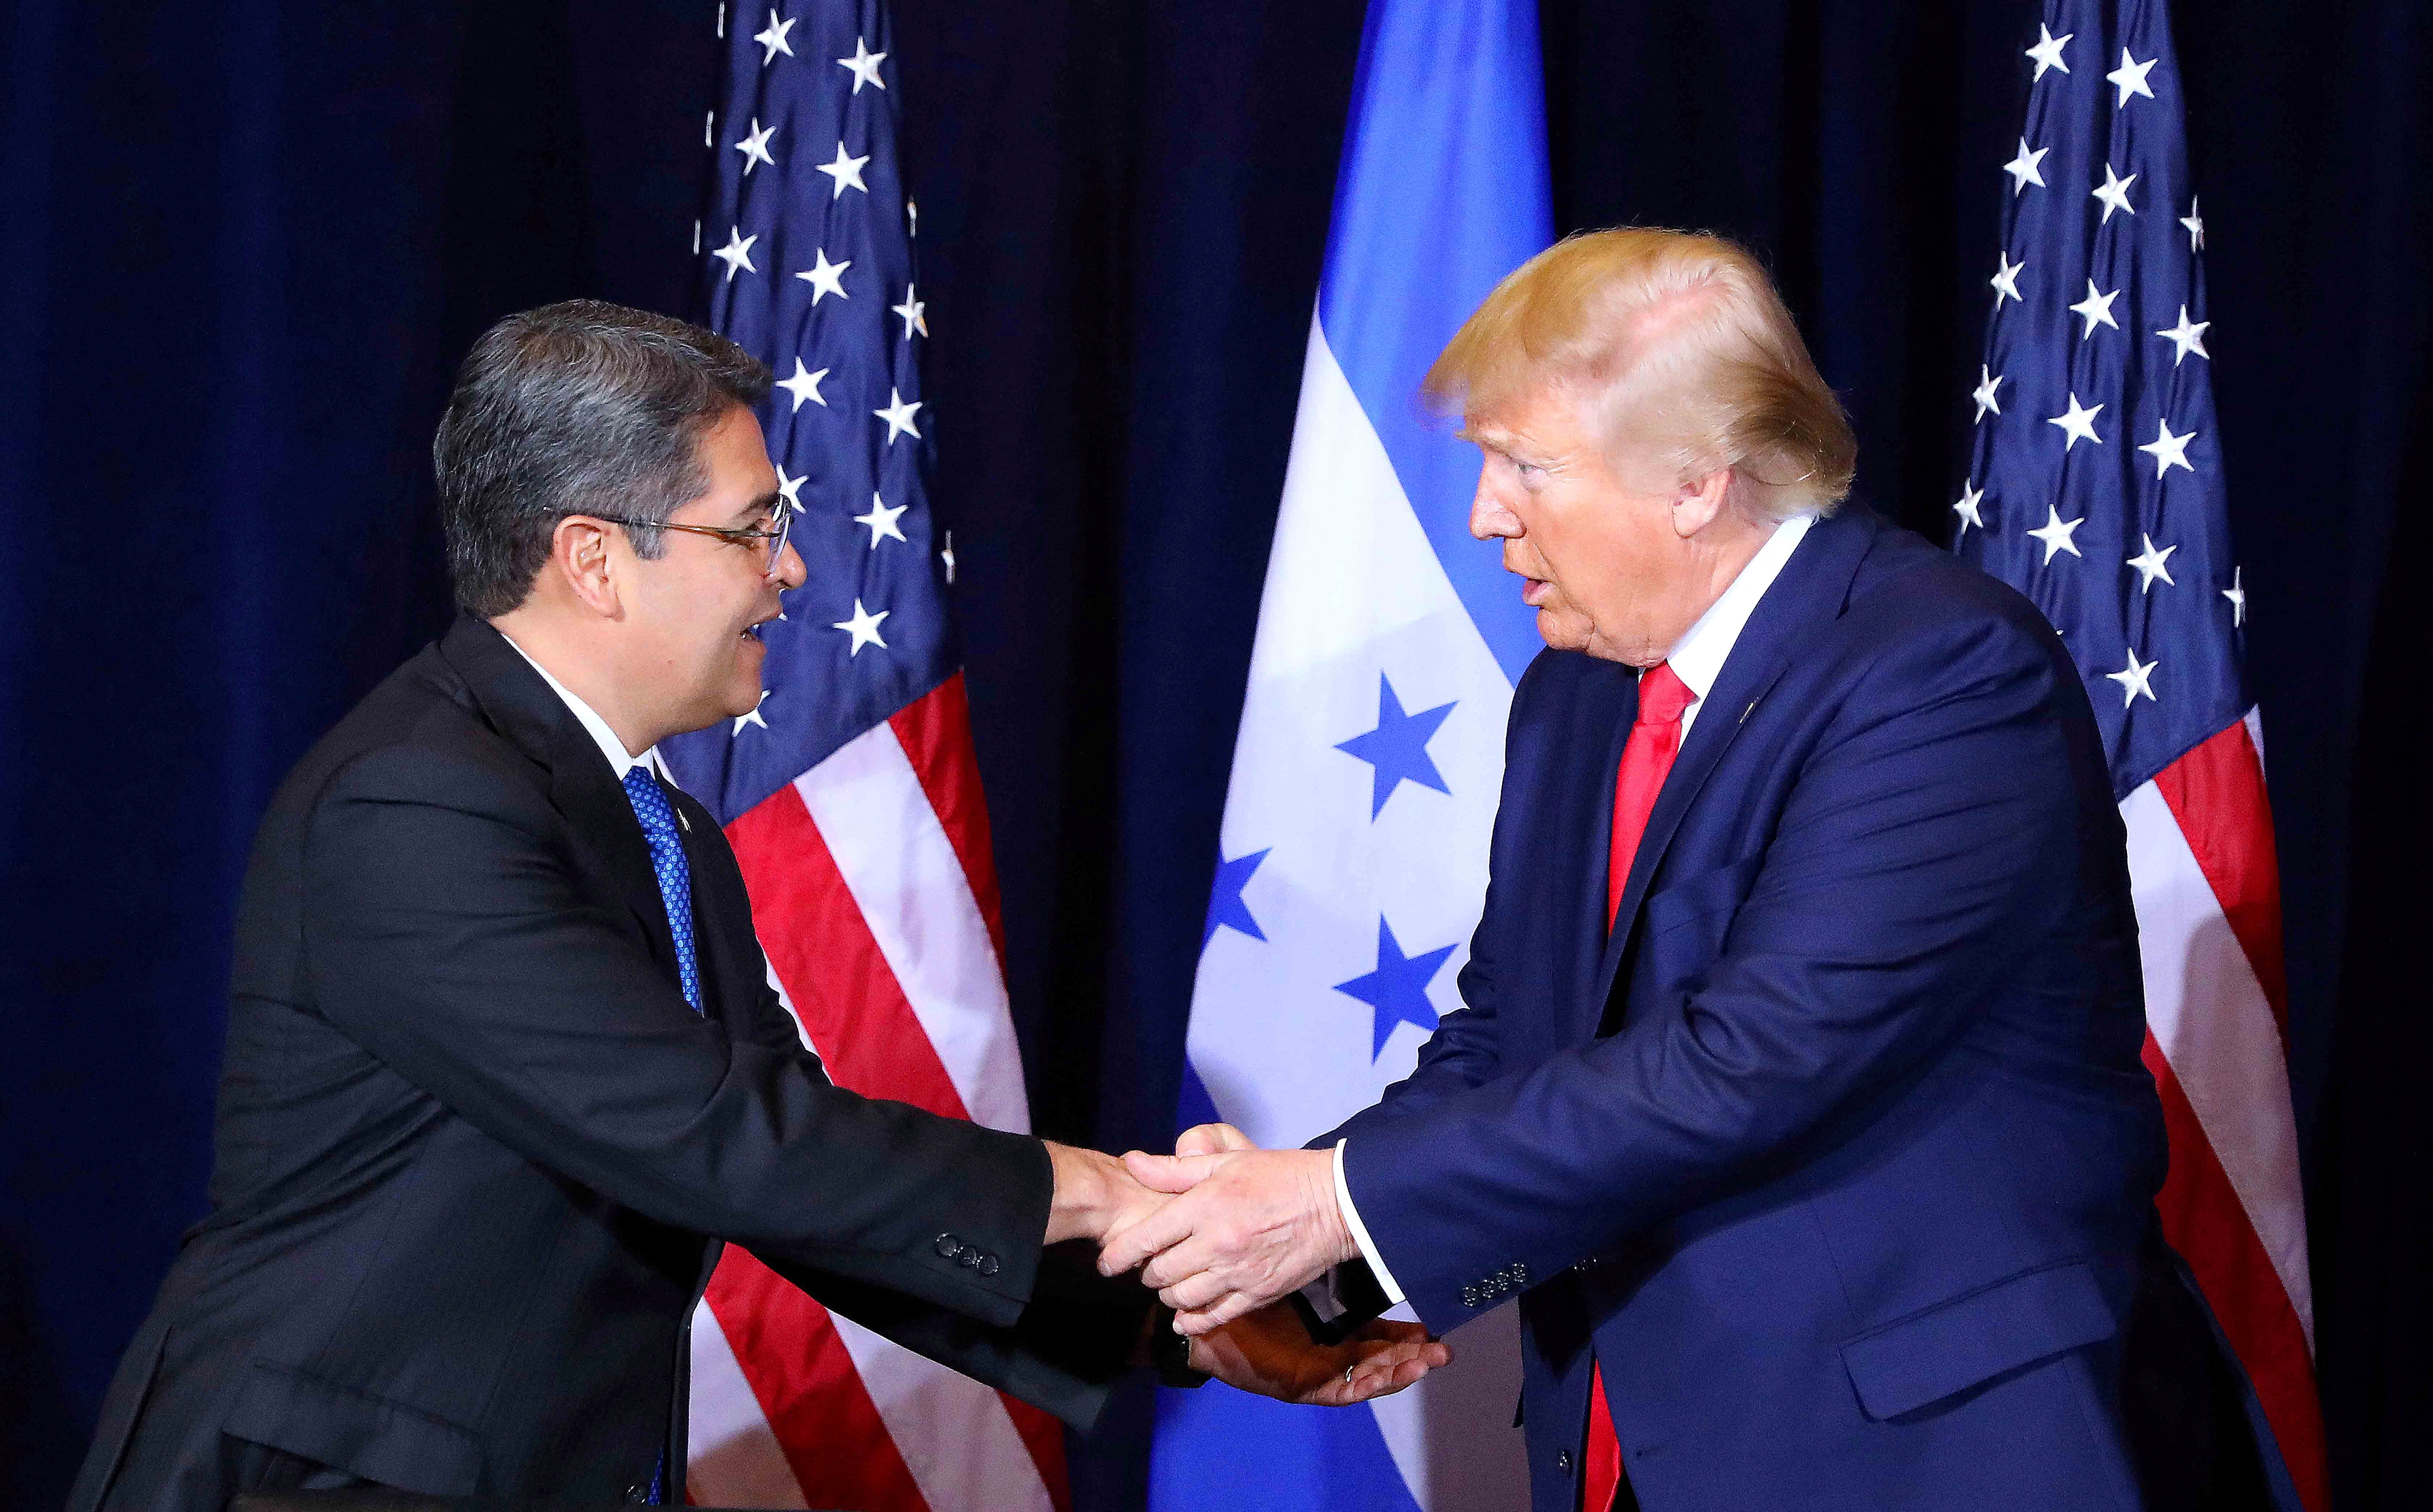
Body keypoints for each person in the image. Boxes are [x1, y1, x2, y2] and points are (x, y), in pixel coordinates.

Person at [70, 300, 1445, 1511]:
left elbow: (806, 1189)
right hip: (332, 1487)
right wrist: (1098, 1189)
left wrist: (1169, 1321)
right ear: (595, 557)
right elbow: (720, 1135)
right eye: (753, 529)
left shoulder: (658, 825)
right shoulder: (414, 808)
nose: (789, 570)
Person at [1104, 231, 2276, 1511]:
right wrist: (1297, 1268)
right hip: (1633, 1451)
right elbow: (1511, 1041)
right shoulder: (1575, 695)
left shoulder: (1939, 673)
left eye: (1527, 466)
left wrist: (1326, 1203)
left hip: (1927, 1455)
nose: (1488, 511)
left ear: (1696, 484)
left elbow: (1752, 1057)